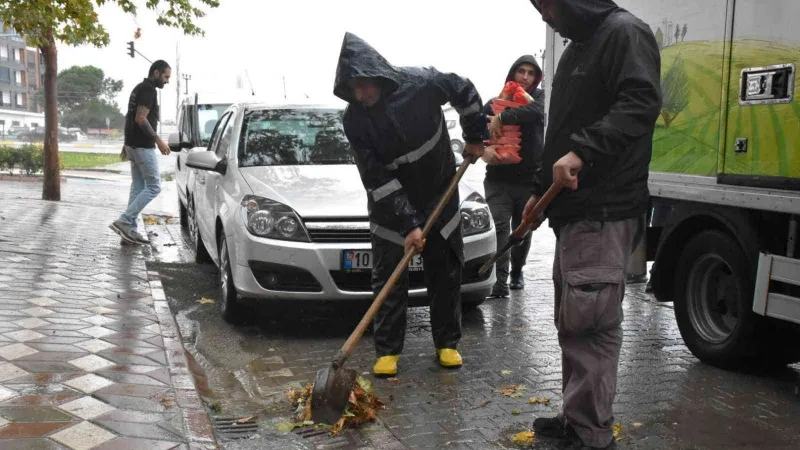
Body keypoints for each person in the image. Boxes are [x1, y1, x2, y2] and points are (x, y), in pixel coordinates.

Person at [525, 1, 662, 448]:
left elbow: (641, 103)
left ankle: (591, 435)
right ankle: (578, 418)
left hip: (603, 209)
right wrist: (535, 190)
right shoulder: (577, 49)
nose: (544, 14)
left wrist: (583, 151)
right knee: (573, 321)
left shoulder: (625, 33)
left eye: (547, 3)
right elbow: (560, 131)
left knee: (591, 324)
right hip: (574, 212)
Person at [333, 32, 486, 377]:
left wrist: (476, 135)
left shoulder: (422, 82)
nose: (361, 95)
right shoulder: (354, 120)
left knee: (445, 270)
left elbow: (464, 90)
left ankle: (446, 343)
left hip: (439, 191)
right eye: (353, 89)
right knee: (388, 275)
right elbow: (375, 178)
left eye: (364, 85)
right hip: (390, 205)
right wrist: (409, 224)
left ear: (377, 73)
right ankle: (388, 351)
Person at [482, 55, 545, 297]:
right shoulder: (495, 102)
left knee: (522, 230)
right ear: (512, 74)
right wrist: (485, 151)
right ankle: (499, 282)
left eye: (531, 73)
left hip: (529, 180)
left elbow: (537, 112)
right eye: (521, 72)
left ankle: (517, 269)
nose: (526, 77)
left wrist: (504, 117)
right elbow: (477, 132)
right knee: (499, 228)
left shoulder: (539, 99)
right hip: (498, 179)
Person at [109, 60, 172, 245]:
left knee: (138, 185)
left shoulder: (138, 88)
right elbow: (140, 118)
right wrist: (158, 140)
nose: (167, 81)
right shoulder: (149, 91)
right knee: (154, 186)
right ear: (156, 73)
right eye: (166, 76)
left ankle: (130, 231)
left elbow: (129, 116)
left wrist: (126, 142)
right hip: (143, 146)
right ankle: (125, 220)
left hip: (133, 144)